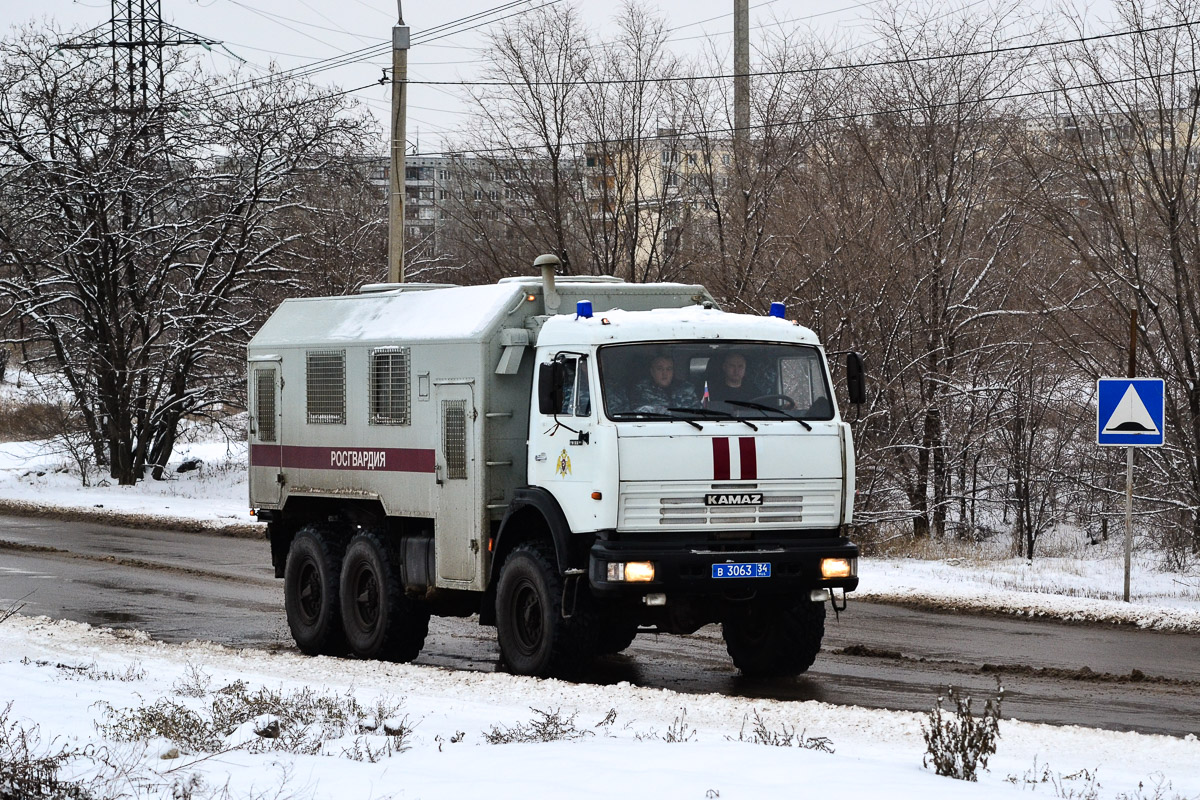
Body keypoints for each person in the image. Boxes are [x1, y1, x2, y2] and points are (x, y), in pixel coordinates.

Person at [624, 354, 698, 412]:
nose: (665, 374)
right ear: (652, 372)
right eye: (659, 369)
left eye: (669, 369)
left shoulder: (686, 389)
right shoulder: (641, 390)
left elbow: (698, 413)